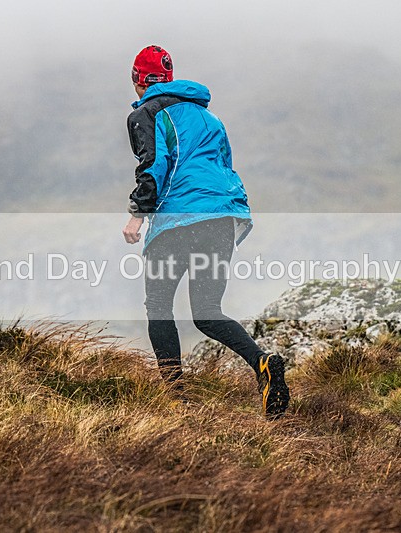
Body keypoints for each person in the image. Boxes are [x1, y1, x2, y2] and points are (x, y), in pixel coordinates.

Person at [121, 45, 290, 419]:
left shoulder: (147, 113)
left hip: (180, 220)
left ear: (139, 80)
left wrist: (137, 212)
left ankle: (176, 399)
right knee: (208, 311)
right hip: (223, 217)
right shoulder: (210, 119)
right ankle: (262, 363)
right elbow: (225, 167)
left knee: (160, 308)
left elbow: (153, 164)